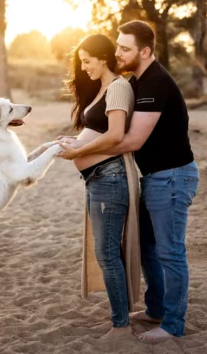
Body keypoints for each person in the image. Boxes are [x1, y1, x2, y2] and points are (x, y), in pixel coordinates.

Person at [60, 20, 199, 344]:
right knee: (149, 249)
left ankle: (173, 324)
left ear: (145, 51)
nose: (117, 52)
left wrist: (80, 149)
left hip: (173, 177)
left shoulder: (156, 84)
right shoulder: (138, 81)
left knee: (170, 253)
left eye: (125, 48)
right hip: (153, 177)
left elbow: (128, 141)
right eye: (118, 46)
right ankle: (155, 310)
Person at [58, 34, 140, 338]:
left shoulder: (118, 87)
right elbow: (97, 131)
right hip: (98, 179)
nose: (84, 67)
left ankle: (121, 325)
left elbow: (116, 135)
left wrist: (78, 151)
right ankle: (122, 317)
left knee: (107, 253)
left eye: (88, 61)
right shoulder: (103, 89)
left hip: (111, 179)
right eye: (81, 62)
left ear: (103, 58)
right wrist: (72, 142)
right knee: (105, 252)